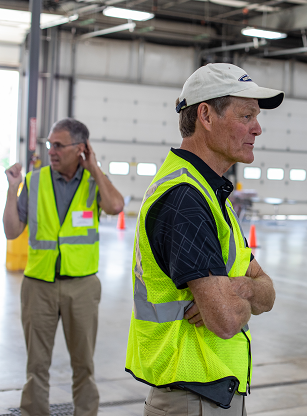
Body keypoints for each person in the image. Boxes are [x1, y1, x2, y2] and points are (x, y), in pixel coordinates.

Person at [125, 63, 282, 416]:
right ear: (206, 116)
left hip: (209, 395)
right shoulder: (185, 199)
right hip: (190, 398)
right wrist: (243, 295)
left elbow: (268, 292)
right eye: (246, 115)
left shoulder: (211, 195)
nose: (257, 128)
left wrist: (239, 288)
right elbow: (225, 319)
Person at [3, 118, 125, 416]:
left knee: (83, 363)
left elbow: (116, 206)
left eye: (58, 145)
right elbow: (11, 230)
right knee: (37, 365)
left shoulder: (95, 182)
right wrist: (12, 189)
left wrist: (94, 167)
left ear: (80, 149)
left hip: (81, 286)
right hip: (38, 285)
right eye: (49, 144)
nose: (51, 151)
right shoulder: (34, 181)